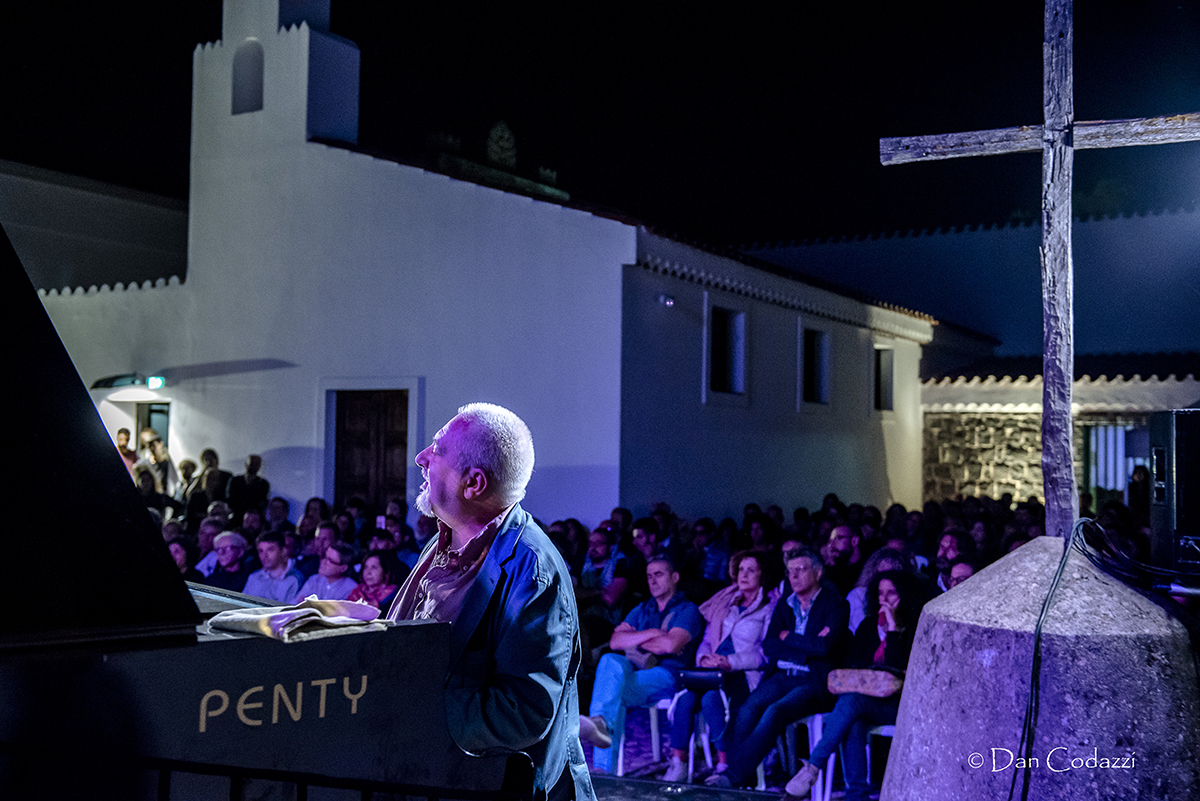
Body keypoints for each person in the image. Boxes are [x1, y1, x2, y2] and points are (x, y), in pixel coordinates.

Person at [386, 403, 593, 801]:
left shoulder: (531, 571)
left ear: (474, 483)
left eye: (437, 449)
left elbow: (522, 709)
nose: (421, 458)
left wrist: (413, 707)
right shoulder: (445, 539)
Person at [706, 549, 849, 790]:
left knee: (775, 711)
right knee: (748, 708)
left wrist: (789, 637)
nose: (793, 576)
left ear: (818, 572)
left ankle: (733, 776)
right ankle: (744, 777)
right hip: (782, 674)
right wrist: (805, 646)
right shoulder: (785, 604)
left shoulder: (836, 604)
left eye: (800, 570)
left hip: (812, 680)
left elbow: (825, 647)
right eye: (790, 571)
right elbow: (771, 645)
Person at [783, 571, 926, 801]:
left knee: (851, 703)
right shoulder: (868, 625)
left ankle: (812, 767)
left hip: (901, 705)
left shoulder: (915, 627)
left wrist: (892, 630)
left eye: (891, 593)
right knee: (854, 718)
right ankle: (856, 795)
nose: (884, 599)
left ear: (904, 595)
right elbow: (852, 663)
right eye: (880, 593)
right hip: (868, 702)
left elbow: (900, 666)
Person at [582, 555, 705, 774]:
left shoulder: (687, 611)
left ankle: (603, 767)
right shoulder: (643, 608)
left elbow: (669, 646)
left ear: (675, 577)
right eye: (649, 576)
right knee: (610, 660)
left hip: (669, 674)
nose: (652, 580)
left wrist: (637, 638)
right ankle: (600, 723)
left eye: (659, 574)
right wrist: (653, 633)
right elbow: (616, 641)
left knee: (612, 692)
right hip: (634, 671)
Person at [665, 550, 777, 781]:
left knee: (710, 698)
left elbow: (764, 652)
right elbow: (708, 638)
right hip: (712, 668)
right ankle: (679, 764)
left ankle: (725, 764)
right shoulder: (726, 603)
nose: (743, 575)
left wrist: (730, 661)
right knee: (686, 699)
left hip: (743, 674)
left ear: (762, 576)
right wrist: (705, 657)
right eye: (741, 569)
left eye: (751, 570)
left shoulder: (769, 608)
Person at [242, 531, 303, 603]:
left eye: (270, 550)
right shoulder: (254, 577)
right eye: (261, 551)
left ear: (283, 551)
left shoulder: (294, 580)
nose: (264, 556)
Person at [293, 541, 358, 602]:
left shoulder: (351, 589)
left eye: (330, 560)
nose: (323, 562)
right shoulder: (314, 580)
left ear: (343, 568)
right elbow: (296, 603)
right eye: (324, 557)